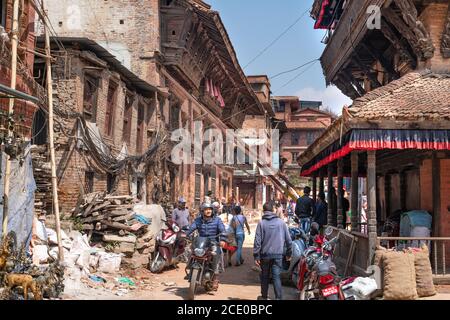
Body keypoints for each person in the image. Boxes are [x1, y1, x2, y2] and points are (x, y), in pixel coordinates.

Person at [254, 202, 292, 300]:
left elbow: (257, 241)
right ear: (273, 210)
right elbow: (289, 240)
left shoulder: (261, 223)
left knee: (265, 276)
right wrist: (289, 253)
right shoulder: (281, 223)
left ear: (263, 211)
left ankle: (264, 297)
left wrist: (256, 256)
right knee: (276, 277)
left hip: (265, 255)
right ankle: (278, 298)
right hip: (278, 255)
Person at [186, 202, 226, 289]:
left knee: (216, 254)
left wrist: (222, 240)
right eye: (206, 209)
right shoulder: (198, 220)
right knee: (190, 251)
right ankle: (190, 268)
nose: (208, 211)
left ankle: (215, 276)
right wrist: (185, 234)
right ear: (202, 211)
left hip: (213, 243)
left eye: (210, 209)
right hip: (201, 243)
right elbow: (191, 228)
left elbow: (222, 230)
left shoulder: (217, 220)